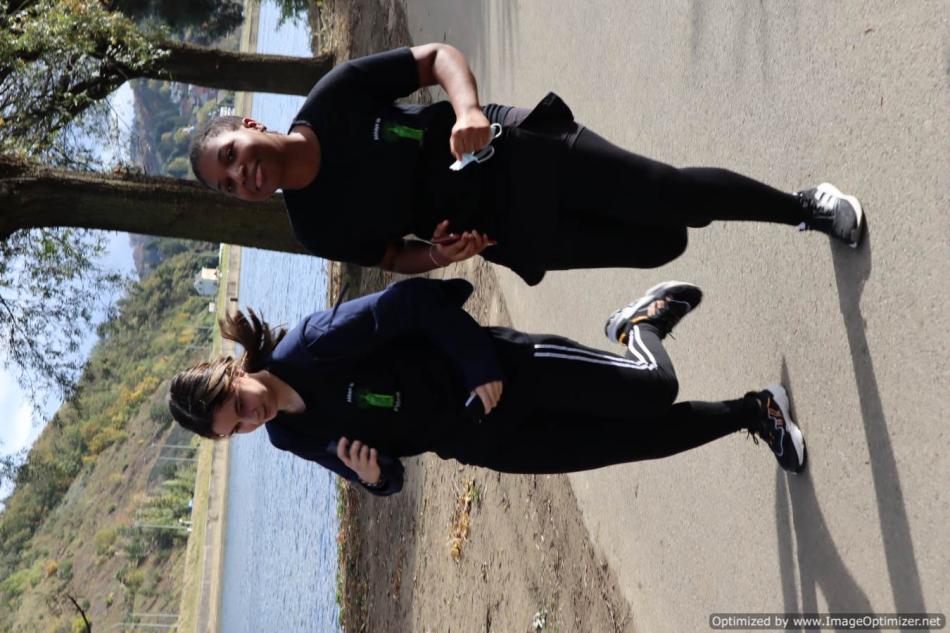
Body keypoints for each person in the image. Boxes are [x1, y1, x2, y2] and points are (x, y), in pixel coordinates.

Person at [188, 43, 866, 286]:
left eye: (232, 157)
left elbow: (437, 58)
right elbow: (393, 255)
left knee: (671, 196)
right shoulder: (313, 227)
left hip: (515, 149)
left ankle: (803, 208)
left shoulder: (334, 98)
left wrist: (466, 110)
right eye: (230, 184)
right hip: (503, 233)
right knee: (662, 244)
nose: (242, 176)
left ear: (250, 127)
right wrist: (441, 255)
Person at [167, 278, 806, 496]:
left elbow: (414, 302)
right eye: (238, 428)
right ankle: (755, 412)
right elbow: (388, 476)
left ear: (234, 371)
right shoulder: (289, 436)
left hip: (505, 369)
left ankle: (639, 327)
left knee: (651, 390)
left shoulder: (310, 345)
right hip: (485, 441)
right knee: (637, 441)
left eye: (239, 404)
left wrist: (478, 366)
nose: (251, 417)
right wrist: (375, 477)